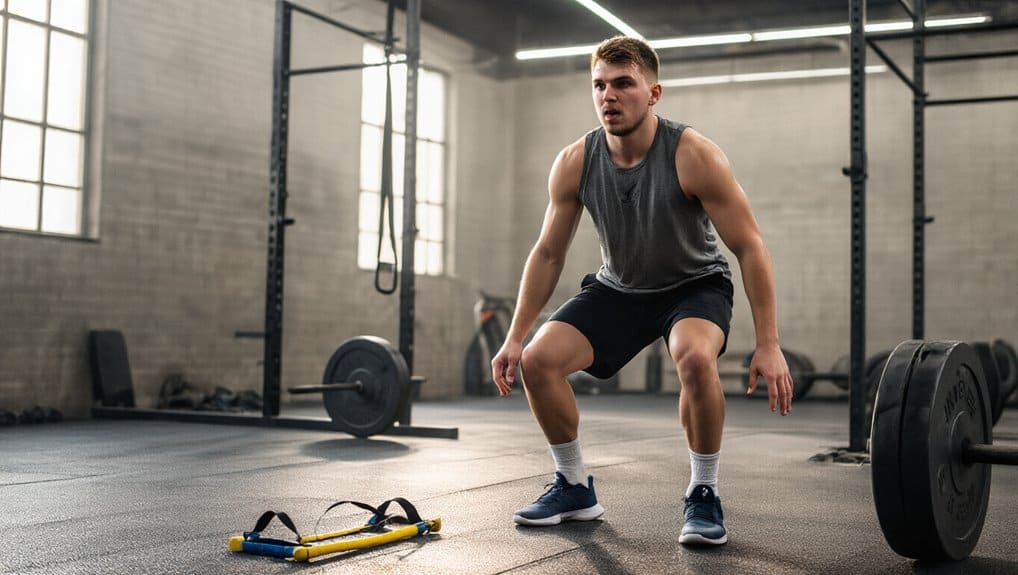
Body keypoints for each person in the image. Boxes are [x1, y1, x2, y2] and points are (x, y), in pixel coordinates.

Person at [490, 36, 794, 546]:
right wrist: (516, 335)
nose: (609, 96)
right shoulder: (575, 161)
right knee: (538, 361)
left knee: (695, 360)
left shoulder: (694, 154)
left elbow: (750, 246)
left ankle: (703, 493)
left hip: (694, 285)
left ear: (653, 94)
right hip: (620, 288)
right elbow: (547, 253)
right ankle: (573, 485)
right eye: (600, 85)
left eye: (623, 84)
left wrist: (769, 342)